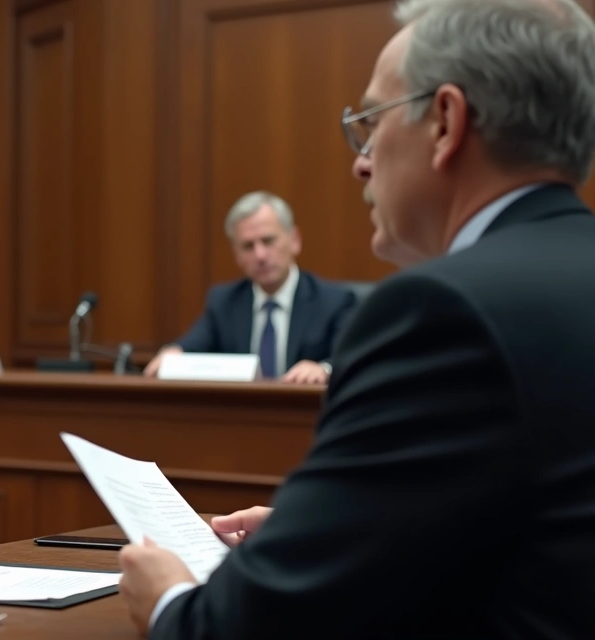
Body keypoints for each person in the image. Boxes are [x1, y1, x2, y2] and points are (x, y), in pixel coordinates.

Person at [120, 0, 595, 637]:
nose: (361, 161)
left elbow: (243, 627)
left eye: (371, 121)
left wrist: (169, 600)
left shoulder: (439, 311)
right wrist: (330, 529)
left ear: (446, 121)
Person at [143, 192, 356, 384]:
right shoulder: (225, 301)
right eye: (248, 246)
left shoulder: (333, 301)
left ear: (294, 240)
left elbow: (350, 358)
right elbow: (191, 346)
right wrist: (173, 353)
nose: (260, 255)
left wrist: (323, 368)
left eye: (268, 241)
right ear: (236, 254)